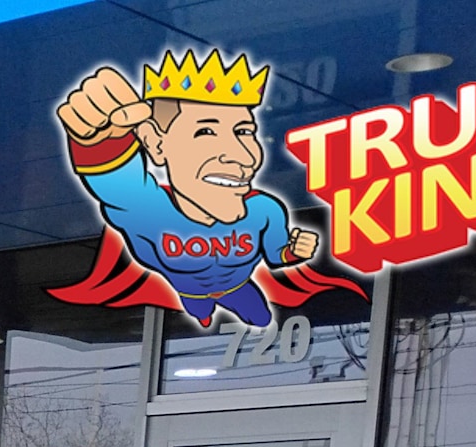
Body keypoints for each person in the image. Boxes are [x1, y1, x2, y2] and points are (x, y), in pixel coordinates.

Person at [57, 51, 320, 329]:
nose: (243, 156)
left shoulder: (265, 210)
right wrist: (99, 142)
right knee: (200, 313)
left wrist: (296, 251)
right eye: (205, 132)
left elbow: (276, 253)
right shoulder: (150, 209)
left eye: (243, 131)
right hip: (189, 292)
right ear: (156, 144)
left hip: (239, 287)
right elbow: (118, 183)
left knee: (263, 319)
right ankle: (203, 313)